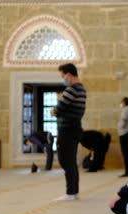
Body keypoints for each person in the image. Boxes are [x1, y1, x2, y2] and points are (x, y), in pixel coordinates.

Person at [51, 63, 86, 201]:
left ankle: (70, 192)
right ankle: (73, 191)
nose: (63, 78)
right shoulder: (81, 89)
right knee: (70, 160)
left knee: (65, 160)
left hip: (67, 129)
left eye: (63, 75)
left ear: (69, 74)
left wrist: (53, 111)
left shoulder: (71, 90)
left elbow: (58, 109)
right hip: (75, 127)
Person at [118, 97, 128, 177]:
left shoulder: (126, 110)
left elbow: (124, 120)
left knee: (125, 153)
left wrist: (120, 126)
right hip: (126, 132)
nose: (121, 104)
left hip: (124, 133)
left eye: (121, 102)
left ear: (124, 102)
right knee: (126, 152)